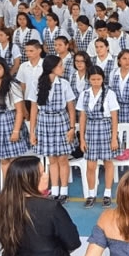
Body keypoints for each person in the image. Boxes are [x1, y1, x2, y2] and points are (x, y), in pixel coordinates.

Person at [29, 55, 77, 203]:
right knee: (52, 159)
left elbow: (71, 108)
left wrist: (71, 128)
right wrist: (32, 131)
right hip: (44, 122)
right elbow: (33, 109)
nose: (62, 68)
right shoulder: (36, 83)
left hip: (61, 121)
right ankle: (54, 189)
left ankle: (64, 190)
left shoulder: (64, 84)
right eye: (60, 66)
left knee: (63, 158)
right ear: (52, 68)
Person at [77, 66, 119, 208]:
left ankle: (107, 193)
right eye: (93, 79)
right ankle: (91, 193)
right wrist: (82, 138)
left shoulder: (109, 94)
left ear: (103, 79)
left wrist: (114, 138)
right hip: (91, 129)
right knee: (91, 165)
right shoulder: (84, 94)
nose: (96, 82)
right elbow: (82, 117)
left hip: (106, 128)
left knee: (108, 162)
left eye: (98, 79)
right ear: (89, 79)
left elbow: (114, 117)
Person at [0, 57, 30, 182]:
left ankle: (18, 186)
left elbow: (19, 110)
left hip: (9, 121)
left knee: (13, 158)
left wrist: (15, 131)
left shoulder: (12, 86)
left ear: (5, 69)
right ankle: (8, 185)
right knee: (3, 159)